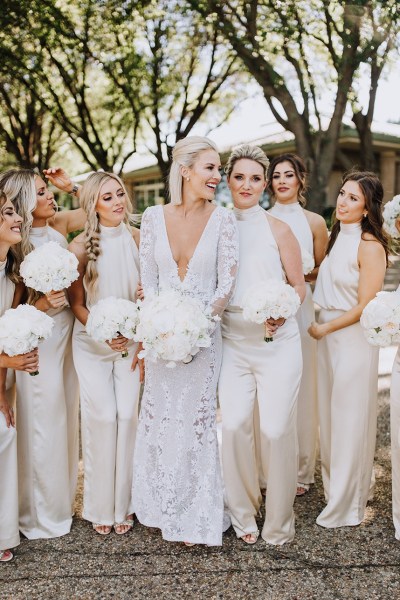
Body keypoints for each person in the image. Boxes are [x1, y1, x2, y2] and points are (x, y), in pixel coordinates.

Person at [131, 136, 239, 546]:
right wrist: (156, 332)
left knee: (195, 421)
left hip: (202, 340)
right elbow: (150, 282)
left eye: (218, 168)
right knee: (160, 417)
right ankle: (160, 506)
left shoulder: (223, 220)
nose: (218, 176)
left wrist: (197, 326)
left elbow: (225, 285)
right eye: (210, 168)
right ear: (185, 170)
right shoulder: (153, 218)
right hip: (160, 340)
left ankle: (196, 513)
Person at [219, 144, 305, 545]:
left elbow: (300, 285)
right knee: (234, 426)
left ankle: (279, 522)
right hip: (232, 339)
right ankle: (241, 513)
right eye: (240, 177)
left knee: (275, 429)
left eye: (256, 178)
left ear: (265, 183)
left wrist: (284, 310)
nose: (247, 184)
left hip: (277, 342)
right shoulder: (216, 226)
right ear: (228, 180)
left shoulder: (278, 229)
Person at [0, 168, 84, 539]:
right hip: (38, 341)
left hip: (66, 339)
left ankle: (59, 504)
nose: (50, 197)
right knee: (41, 424)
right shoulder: (16, 247)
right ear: (23, 203)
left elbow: (100, 210)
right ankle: (37, 513)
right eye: (41, 192)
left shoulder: (59, 229)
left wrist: (74, 187)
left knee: (65, 419)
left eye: (49, 190)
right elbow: (14, 313)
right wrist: (45, 305)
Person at [308, 170, 388, 528]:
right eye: (342, 193)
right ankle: (336, 490)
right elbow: (329, 274)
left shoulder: (370, 246)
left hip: (350, 338)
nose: (342, 201)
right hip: (327, 339)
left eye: (353, 198)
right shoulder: (337, 235)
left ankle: (347, 505)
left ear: (368, 207)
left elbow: (364, 306)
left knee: (349, 421)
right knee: (329, 419)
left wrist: (325, 327)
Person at [68, 172, 141, 535]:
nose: (116, 202)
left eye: (119, 194)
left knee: (127, 416)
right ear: (93, 204)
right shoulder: (80, 247)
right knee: (102, 418)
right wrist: (102, 330)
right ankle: (99, 506)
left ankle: (124, 504)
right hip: (91, 345)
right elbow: (76, 305)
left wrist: (131, 333)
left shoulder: (139, 240)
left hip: (130, 344)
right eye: (107, 197)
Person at [268, 154, 328, 496]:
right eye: (276, 175)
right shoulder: (260, 219)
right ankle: (269, 467)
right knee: (271, 387)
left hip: (301, 310)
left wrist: (299, 274)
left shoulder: (315, 222)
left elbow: (322, 268)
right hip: (266, 308)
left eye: (289, 175)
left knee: (303, 387)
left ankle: (302, 468)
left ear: (300, 180)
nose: (282, 181)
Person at [0, 192, 39, 562]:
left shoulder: (11, 276)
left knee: (5, 431)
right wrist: (9, 363)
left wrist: (3, 395)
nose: (17, 219)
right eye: (8, 213)